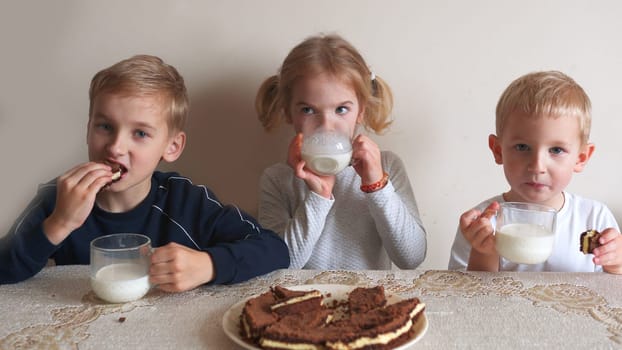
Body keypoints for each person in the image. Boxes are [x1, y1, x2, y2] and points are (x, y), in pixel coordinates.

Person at [0, 55, 290, 289]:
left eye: (139, 133)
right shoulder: (58, 197)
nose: (115, 147)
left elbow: (274, 249)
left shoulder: (186, 202)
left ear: (172, 146)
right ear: (88, 130)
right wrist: (58, 224)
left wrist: (208, 265)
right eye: (105, 127)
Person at [255, 34, 427, 270]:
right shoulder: (276, 179)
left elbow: (412, 258)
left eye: (341, 109)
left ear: (360, 112)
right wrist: (319, 196)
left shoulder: (386, 166)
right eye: (308, 110)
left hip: (369, 303)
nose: (327, 125)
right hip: (302, 304)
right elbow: (278, 266)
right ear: (288, 113)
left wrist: (378, 185)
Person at [448, 70, 622, 273]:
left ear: (581, 158)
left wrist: (616, 264)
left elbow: (612, 295)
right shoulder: (481, 225)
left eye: (556, 150)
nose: (537, 166)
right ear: (498, 150)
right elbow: (463, 297)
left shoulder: (594, 217)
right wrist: (484, 253)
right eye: (522, 147)